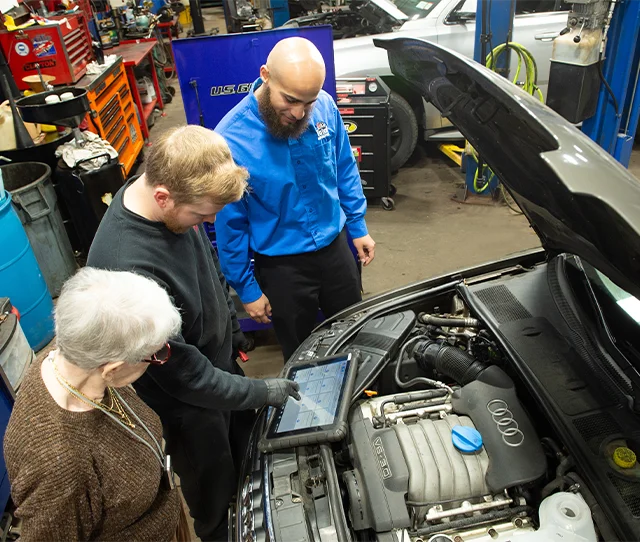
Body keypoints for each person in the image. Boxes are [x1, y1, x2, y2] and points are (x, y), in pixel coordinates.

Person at [86, 125, 300, 542]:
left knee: (249, 458)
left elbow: (209, 266)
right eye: (203, 215)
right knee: (216, 495)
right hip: (188, 407)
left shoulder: (171, 200)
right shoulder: (127, 269)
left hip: (219, 373)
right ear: (163, 196)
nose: (210, 221)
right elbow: (189, 378)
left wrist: (234, 331)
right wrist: (265, 392)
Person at [214, 37, 377, 361]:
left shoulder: (326, 107)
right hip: (281, 267)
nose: (299, 112)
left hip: (335, 249)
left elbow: (343, 166)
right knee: (300, 352)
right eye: (289, 100)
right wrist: (247, 289)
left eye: (308, 101)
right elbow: (230, 223)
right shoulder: (230, 139)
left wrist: (357, 226)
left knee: (354, 335)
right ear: (265, 76)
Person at [3, 267, 189, 542]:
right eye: (154, 355)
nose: (157, 358)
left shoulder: (64, 359)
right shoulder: (59, 465)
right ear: (111, 369)